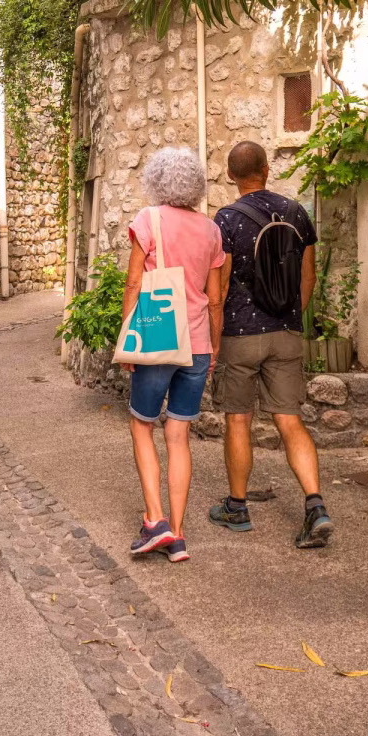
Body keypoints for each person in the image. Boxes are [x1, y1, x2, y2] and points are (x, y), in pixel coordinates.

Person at [210, 140, 334, 548]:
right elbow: (308, 277)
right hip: (286, 332)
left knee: (238, 419)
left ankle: (237, 507)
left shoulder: (225, 219)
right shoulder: (297, 213)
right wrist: (291, 317)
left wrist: (215, 337)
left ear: (231, 175)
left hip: (240, 335)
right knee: (289, 420)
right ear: (266, 169)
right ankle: (315, 505)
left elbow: (222, 284)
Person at [120, 147, 225, 563]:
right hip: (198, 343)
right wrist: (213, 346)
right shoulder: (211, 230)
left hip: (158, 337)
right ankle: (178, 536)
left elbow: (133, 285)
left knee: (141, 425)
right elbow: (215, 299)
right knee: (179, 435)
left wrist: (130, 340)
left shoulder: (148, 220)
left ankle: (155, 520)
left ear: (157, 181)